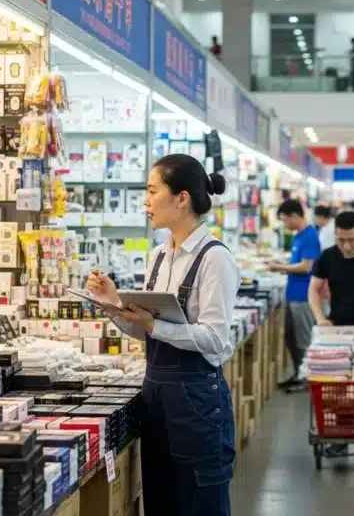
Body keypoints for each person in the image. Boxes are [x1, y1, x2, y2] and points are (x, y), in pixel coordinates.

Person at [85, 154, 238, 515]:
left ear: (181, 198)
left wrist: (155, 325)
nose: (145, 201)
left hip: (197, 400)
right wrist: (113, 306)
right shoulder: (157, 256)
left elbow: (215, 340)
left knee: (201, 503)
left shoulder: (215, 259)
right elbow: (148, 333)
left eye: (153, 191)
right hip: (155, 395)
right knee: (160, 500)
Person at [269, 200, 321, 391]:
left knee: (304, 339)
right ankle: (299, 374)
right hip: (293, 295)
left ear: (295, 215)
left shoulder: (310, 236)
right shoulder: (299, 236)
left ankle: (308, 380)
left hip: (303, 296)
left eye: (285, 220)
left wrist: (278, 267)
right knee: (292, 338)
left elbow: (306, 266)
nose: (285, 225)